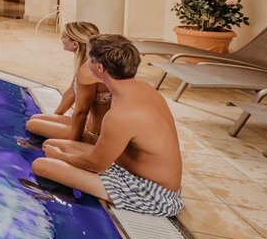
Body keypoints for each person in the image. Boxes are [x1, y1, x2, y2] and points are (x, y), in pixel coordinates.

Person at [31, 34, 183, 217]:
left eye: (88, 58)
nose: (85, 62)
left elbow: (96, 165)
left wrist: (61, 157)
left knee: (41, 165)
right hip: (130, 169)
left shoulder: (122, 114)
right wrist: (61, 152)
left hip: (151, 192)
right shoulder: (144, 89)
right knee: (53, 144)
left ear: (99, 68)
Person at [25, 22, 108, 144]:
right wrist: (56, 116)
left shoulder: (88, 69)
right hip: (89, 125)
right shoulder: (86, 63)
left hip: (96, 134)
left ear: (75, 44)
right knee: (35, 118)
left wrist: (72, 144)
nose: (61, 39)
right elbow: (71, 93)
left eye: (64, 36)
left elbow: (81, 112)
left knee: (32, 124)